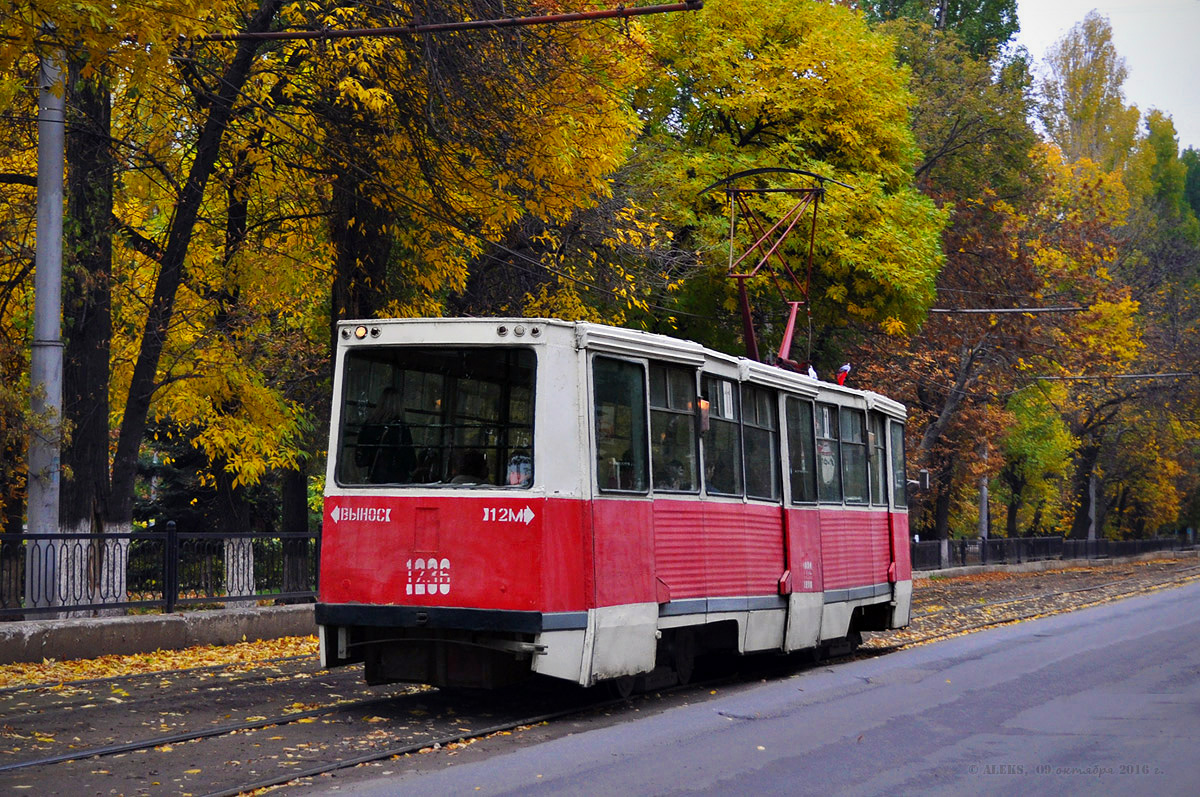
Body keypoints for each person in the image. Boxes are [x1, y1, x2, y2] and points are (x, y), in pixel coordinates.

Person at [355, 387, 415, 483]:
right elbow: (411, 462)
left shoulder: (369, 425)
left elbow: (361, 460)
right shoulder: (400, 427)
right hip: (397, 480)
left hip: (375, 479)